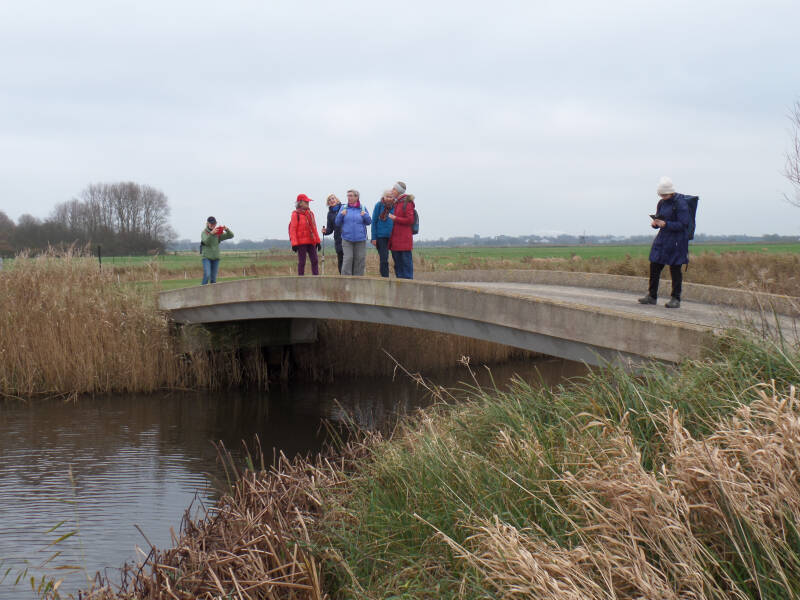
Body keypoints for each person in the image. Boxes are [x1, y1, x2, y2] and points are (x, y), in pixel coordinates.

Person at [638, 176, 692, 308]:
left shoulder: (681, 204)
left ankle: (675, 299)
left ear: (671, 192)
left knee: (675, 269)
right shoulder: (661, 203)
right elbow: (660, 218)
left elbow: (683, 224)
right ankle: (652, 296)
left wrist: (666, 224)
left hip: (677, 241)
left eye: (664, 194)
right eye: (661, 194)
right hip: (662, 239)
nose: (662, 196)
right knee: (654, 265)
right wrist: (655, 224)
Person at [335, 189, 372, 276]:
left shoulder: (362, 208)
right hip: (347, 239)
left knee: (360, 259)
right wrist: (341, 215)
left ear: (357, 197)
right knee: (348, 259)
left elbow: (369, 222)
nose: (349, 198)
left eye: (351, 196)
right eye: (348, 196)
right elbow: (337, 223)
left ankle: (358, 280)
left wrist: (365, 215)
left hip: (360, 239)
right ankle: (346, 280)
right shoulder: (343, 208)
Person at [387, 181, 415, 279]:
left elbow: (410, 220)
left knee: (406, 266)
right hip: (396, 240)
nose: (392, 191)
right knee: (398, 267)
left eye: (394, 189)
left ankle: (408, 286)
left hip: (404, 240)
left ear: (399, 191)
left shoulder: (407, 203)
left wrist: (395, 218)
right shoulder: (396, 203)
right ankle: (400, 286)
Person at [289, 194, 321, 276]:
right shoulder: (295, 214)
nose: (308, 203)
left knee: (315, 260)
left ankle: (316, 278)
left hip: (311, 241)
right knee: (302, 262)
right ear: (300, 203)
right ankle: (300, 279)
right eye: (305, 201)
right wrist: (294, 244)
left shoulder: (310, 213)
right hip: (301, 242)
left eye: (308, 201)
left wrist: (318, 241)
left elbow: (314, 228)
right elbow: (293, 229)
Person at [200, 216, 233, 285]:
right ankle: (202, 290)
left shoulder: (218, 233)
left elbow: (231, 236)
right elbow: (206, 242)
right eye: (211, 223)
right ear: (207, 223)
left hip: (216, 258)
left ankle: (213, 292)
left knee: (213, 279)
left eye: (214, 223)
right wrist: (211, 234)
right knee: (207, 274)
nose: (213, 225)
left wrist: (227, 229)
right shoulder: (204, 233)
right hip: (206, 258)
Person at [371, 189, 395, 277]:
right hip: (381, 237)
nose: (389, 198)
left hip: (394, 236)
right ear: (383, 197)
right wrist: (373, 238)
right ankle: (385, 278)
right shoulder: (379, 205)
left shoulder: (396, 206)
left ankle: (399, 278)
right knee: (384, 259)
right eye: (387, 196)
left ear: (393, 198)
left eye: (391, 197)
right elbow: (374, 222)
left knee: (397, 258)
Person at [321, 194, 344, 274]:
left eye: (333, 198)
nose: (331, 200)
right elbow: (330, 228)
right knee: (341, 259)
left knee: (349, 259)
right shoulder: (330, 214)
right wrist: (325, 231)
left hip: (348, 237)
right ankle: (342, 277)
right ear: (328, 203)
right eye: (329, 200)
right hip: (338, 239)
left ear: (337, 199)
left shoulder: (344, 208)